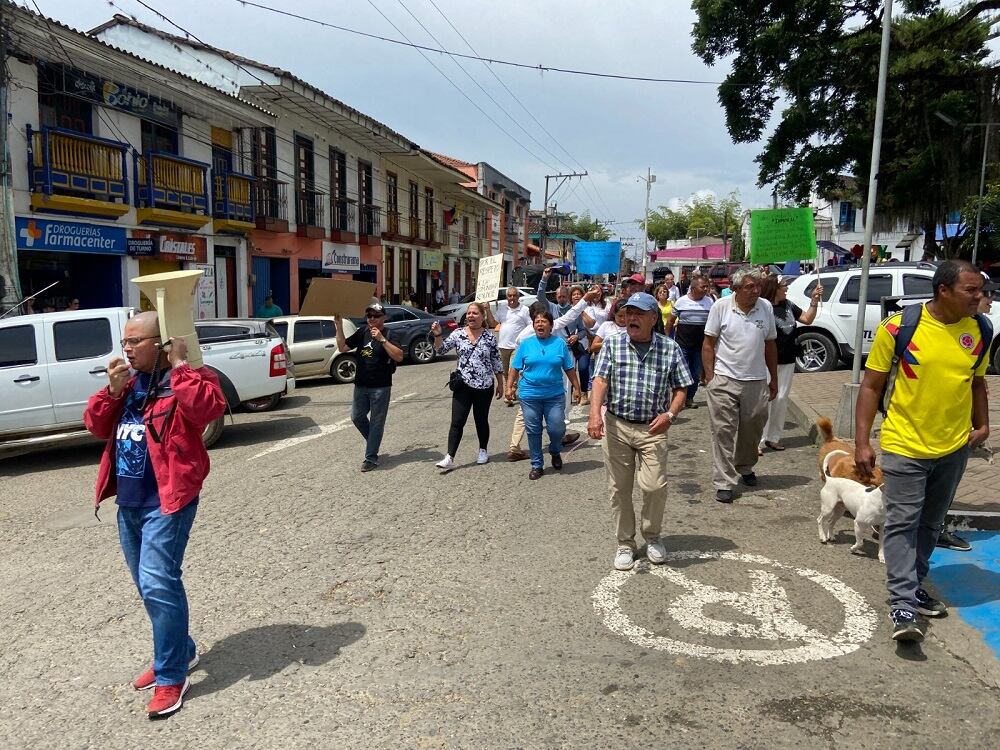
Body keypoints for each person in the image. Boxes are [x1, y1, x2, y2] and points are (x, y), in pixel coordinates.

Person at [83, 311, 226, 718]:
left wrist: (181, 366)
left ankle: (170, 677)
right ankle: (182, 650)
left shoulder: (190, 378)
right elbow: (95, 426)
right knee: (147, 586)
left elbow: (206, 410)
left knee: (158, 581)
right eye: (124, 342)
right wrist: (111, 392)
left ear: (160, 343)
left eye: (135, 342)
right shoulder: (126, 383)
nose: (126, 348)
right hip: (128, 501)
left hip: (169, 499)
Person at [855, 260, 991, 642]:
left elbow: (976, 381)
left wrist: (983, 425)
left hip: (954, 447)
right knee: (902, 522)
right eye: (971, 290)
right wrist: (862, 443)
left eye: (980, 290)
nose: (979, 297)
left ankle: (913, 582)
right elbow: (870, 386)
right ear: (943, 291)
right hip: (904, 444)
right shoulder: (899, 328)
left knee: (932, 523)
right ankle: (902, 603)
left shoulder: (980, 329)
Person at [589, 292, 692, 570]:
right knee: (619, 489)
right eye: (628, 313)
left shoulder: (670, 349)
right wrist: (594, 415)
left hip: (652, 428)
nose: (631, 318)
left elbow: (682, 387)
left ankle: (653, 536)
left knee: (655, 486)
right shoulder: (613, 343)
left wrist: (670, 414)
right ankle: (625, 543)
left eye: (638, 313)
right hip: (617, 425)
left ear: (653, 318)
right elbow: (600, 380)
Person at [702, 268, 777, 503]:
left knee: (753, 425)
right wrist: (710, 376)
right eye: (749, 287)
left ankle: (745, 465)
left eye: (758, 286)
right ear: (735, 289)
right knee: (723, 430)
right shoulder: (721, 307)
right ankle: (724, 481)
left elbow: (770, 344)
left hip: (755, 379)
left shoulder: (765, 307)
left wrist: (773, 378)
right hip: (724, 378)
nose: (755, 291)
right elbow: (708, 343)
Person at [506, 307, 582, 479]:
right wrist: (509, 386)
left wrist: (577, 388)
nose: (540, 324)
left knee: (557, 428)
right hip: (529, 394)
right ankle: (537, 464)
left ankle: (555, 450)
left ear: (551, 325)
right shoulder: (526, 344)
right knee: (533, 430)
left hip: (554, 395)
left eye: (543, 322)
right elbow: (515, 367)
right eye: (536, 322)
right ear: (533, 326)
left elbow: (569, 368)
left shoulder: (559, 344)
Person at [431, 302, 504, 471]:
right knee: (457, 421)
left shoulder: (489, 337)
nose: (471, 316)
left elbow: (496, 361)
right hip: (463, 385)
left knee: (481, 420)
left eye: (475, 313)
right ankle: (449, 456)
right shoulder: (458, 334)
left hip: (484, 386)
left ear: (482, 316)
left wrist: (501, 383)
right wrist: (437, 335)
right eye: (469, 313)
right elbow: (441, 350)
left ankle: (483, 450)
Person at [335, 302, 405, 471]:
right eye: (369, 316)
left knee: (376, 423)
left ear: (384, 318)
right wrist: (338, 325)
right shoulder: (362, 332)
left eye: (376, 316)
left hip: (381, 387)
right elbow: (342, 347)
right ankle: (373, 441)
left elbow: (399, 356)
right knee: (357, 417)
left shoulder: (390, 333)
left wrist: (382, 340)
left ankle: (371, 458)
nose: (372, 319)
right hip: (361, 385)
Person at [757, 275, 822, 452]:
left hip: (787, 360)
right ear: (774, 287)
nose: (787, 288)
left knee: (781, 398)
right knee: (765, 400)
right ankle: (758, 441)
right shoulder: (762, 306)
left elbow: (807, 319)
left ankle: (773, 437)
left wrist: (814, 301)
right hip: (765, 361)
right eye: (784, 285)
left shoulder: (789, 305)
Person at [667, 275, 715, 409]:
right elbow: (671, 321)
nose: (706, 289)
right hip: (682, 344)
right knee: (682, 373)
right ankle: (678, 400)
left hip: (701, 345)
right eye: (703, 286)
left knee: (695, 373)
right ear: (693, 288)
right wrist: (667, 339)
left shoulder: (710, 302)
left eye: (707, 286)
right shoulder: (681, 301)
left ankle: (689, 398)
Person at [492, 286, 533, 406]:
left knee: (512, 370)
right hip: (503, 346)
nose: (512, 298)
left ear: (518, 297)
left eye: (514, 295)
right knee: (505, 371)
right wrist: (488, 310)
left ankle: (509, 393)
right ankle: (510, 391)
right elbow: (493, 323)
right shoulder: (503, 309)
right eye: (509, 296)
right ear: (507, 297)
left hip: (517, 346)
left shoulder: (524, 310)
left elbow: (530, 326)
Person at [569, 285, 593, 405]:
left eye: (579, 294)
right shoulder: (569, 311)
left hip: (583, 346)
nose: (576, 296)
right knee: (570, 370)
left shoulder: (588, 309)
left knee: (583, 368)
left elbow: (591, 324)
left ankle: (583, 392)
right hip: (569, 346)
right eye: (574, 294)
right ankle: (573, 391)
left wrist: (581, 311)